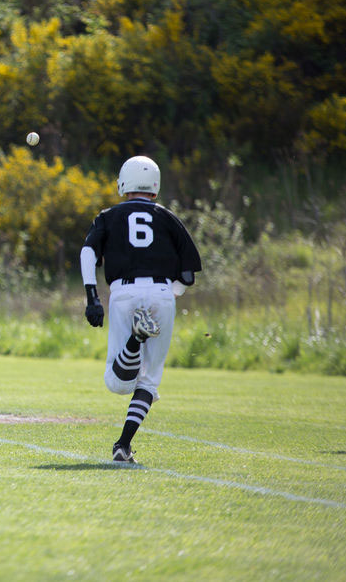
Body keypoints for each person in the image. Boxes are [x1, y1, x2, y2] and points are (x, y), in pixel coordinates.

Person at [79, 156, 202, 462]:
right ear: (155, 186)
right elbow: (187, 275)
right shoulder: (168, 217)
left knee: (117, 383)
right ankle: (122, 445)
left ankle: (135, 339)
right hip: (162, 292)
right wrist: (167, 294)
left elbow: (87, 252)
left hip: (125, 291)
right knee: (149, 381)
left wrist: (91, 296)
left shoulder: (109, 216)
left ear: (124, 182)